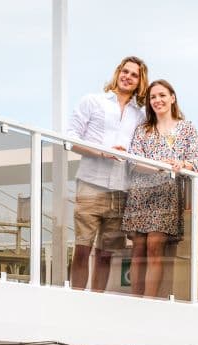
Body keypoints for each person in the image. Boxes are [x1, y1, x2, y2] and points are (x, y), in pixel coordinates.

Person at [122, 79, 198, 298]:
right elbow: (134, 161)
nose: (157, 100)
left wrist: (183, 165)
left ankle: (149, 301)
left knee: (155, 247)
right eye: (153, 97)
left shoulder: (187, 128)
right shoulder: (143, 129)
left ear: (172, 98)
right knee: (138, 248)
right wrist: (162, 167)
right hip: (141, 193)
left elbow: (193, 160)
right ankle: (134, 300)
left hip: (168, 194)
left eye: (162, 95)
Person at [66, 56, 148, 291]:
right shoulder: (92, 101)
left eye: (134, 75)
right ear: (117, 73)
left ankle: (97, 301)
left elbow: (142, 150)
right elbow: (71, 139)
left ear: (139, 82)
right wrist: (103, 152)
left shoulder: (140, 115)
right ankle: (76, 299)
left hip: (120, 190)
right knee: (83, 247)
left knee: (106, 253)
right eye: (125, 71)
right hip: (90, 185)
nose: (128, 77)